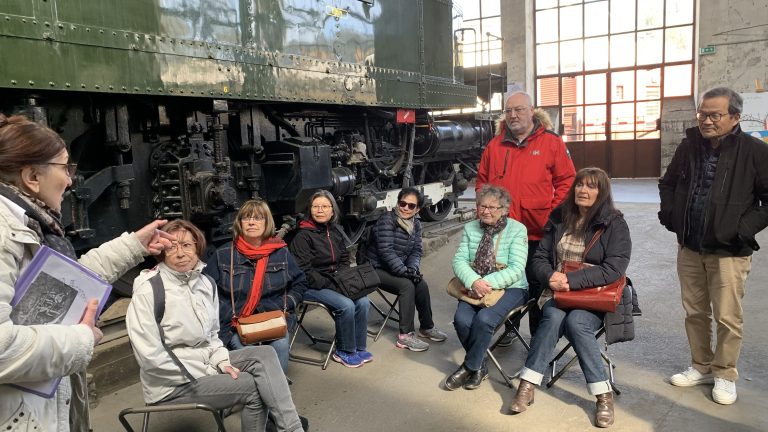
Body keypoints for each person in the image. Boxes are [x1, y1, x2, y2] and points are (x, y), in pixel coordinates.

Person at [0, 113, 174, 431]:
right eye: (64, 167)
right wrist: (81, 339)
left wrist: (135, 245)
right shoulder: (4, 231)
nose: (70, 180)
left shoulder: (27, 222)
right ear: (32, 176)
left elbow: (64, 281)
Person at [126, 220, 305, 432]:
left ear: (198, 247)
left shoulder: (205, 283)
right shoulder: (149, 290)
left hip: (204, 363)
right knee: (255, 387)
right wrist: (210, 370)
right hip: (171, 382)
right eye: (171, 247)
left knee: (265, 354)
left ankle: (291, 428)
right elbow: (149, 356)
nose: (180, 253)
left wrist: (220, 360)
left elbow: (212, 335)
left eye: (186, 245)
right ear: (162, 252)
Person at [658, 87, 768, 405]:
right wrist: (671, 215)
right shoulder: (689, 146)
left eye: (714, 115)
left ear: (735, 117)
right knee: (695, 312)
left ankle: (725, 373)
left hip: (729, 251)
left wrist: (742, 229)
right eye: (702, 114)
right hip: (690, 247)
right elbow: (668, 183)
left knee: (727, 317)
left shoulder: (754, 151)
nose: (706, 121)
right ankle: (701, 365)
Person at [509, 167, 631, 428]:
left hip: (592, 296)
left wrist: (570, 280)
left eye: (591, 186)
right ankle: (527, 385)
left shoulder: (614, 223)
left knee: (577, 322)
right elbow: (539, 258)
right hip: (556, 291)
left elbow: (614, 268)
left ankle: (603, 396)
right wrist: (550, 276)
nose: (583, 190)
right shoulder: (559, 216)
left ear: (602, 192)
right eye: (579, 185)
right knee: (553, 317)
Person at [476, 91, 576, 336]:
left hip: (538, 232)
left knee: (537, 283)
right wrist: (489, 211)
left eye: (519, 109)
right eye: (508, 110)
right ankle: (509, 331)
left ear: (532, 111)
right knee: (505, 282)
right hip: (503, 233)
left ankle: (537, 338)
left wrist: (553, 214)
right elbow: (482, 183)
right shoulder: (494, 146)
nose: (513, 115)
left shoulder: (551, 143)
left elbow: (567, 181)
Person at [206, 199, 308, 372]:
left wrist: (286, 304)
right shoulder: (223, 254)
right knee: (249, 354)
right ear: (239, 223)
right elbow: (205, 289)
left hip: (271, 318)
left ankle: (277, 385)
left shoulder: (280, 252)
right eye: (246, 218)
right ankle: (257, 386)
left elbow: (300, 283)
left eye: (258, 218)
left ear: (267, 223)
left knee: (280, 346)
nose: (251, 222)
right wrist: (223, 311)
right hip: (234, 323)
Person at [446, 184, 529, 391]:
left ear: (504, 209)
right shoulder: (470, 228)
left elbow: (517, 268)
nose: (486, 211)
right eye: (482, 206)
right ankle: (480, 366)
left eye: (492, 207)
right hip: (475, 285)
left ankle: (469, 366)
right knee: (461, 320)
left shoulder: (518, 229)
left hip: (512, 287)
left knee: (484, 319)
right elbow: (459, 260)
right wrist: (474, 281)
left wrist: (486, 284)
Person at [289, 190, 372, 368]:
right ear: (309, 209)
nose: (320, 210)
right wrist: (334, 284)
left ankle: (358, 346)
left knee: (364, 301)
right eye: (316, 206)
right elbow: (304, 271)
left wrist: (343, 278)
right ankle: (344, 350)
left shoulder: (335, 231)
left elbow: (344, 258)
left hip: (334, 282)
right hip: (309, 286)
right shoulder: (302, 236)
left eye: (325, 206)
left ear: (332, 210)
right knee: (346, 305)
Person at [366, 187, 447, 351]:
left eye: (411, 206)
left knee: (421, 285)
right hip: (374, 268)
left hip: (396, 268)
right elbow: (385, 252)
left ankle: (426, 327)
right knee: (407, 285)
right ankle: (405, 336)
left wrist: (412, 269)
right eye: (402, 203)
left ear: (418, 209)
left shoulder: (415, 224)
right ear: (398, 203)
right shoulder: (387, 220)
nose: (405, 208)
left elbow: (416, 251)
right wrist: (404, 272)